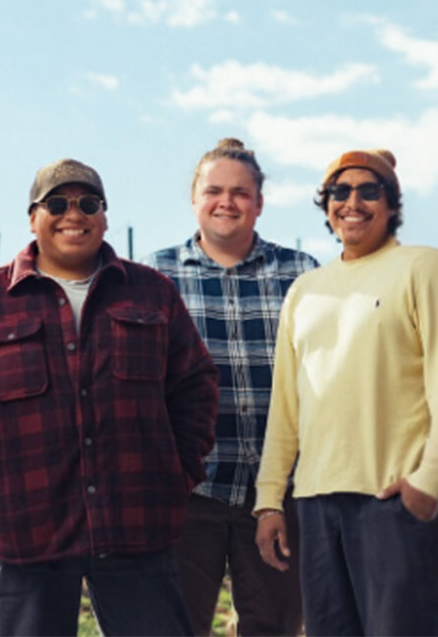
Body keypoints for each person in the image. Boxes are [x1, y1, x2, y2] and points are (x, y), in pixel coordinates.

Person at [0, 158, 218, 637]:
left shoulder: (152, 294)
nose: (73, 214)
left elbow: (195, 389)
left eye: (88, 203)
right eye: (57, 203)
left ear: (104, 216)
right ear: (32, 217)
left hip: (136, 523)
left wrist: (174, 474)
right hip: (24, 528)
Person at [254, 149, 438, 637]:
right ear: (326, 205)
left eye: (368, 191)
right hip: (314, 502)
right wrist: (270, 500)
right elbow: (285, 408)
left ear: (391, 204)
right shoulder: (305, 291)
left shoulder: (425, 267)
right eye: (339, 192)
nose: (353, 202)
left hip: (391, 500)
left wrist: (426, 483)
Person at [143, 138, 318, 636]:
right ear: (194, 199)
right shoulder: (155, 277)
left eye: (241, 192)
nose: (227, 202)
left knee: (274, 626)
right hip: (187, 490)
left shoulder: (299, 275)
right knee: (177, 624)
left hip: (278, 491)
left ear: (259, 202)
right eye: (214, 190)